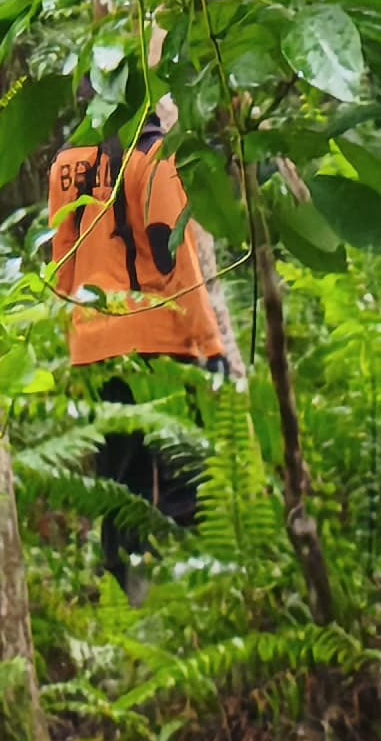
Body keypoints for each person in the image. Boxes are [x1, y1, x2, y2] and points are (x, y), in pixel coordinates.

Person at [45, 110, 242, 590]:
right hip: (160, 336)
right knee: (182, 474)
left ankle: (123, 589)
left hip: (93, 340)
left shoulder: (66, 164)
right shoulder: (154, 155)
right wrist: (209, 345)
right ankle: (190, 591)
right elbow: (175, 256)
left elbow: (62, 269)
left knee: (118, 479)